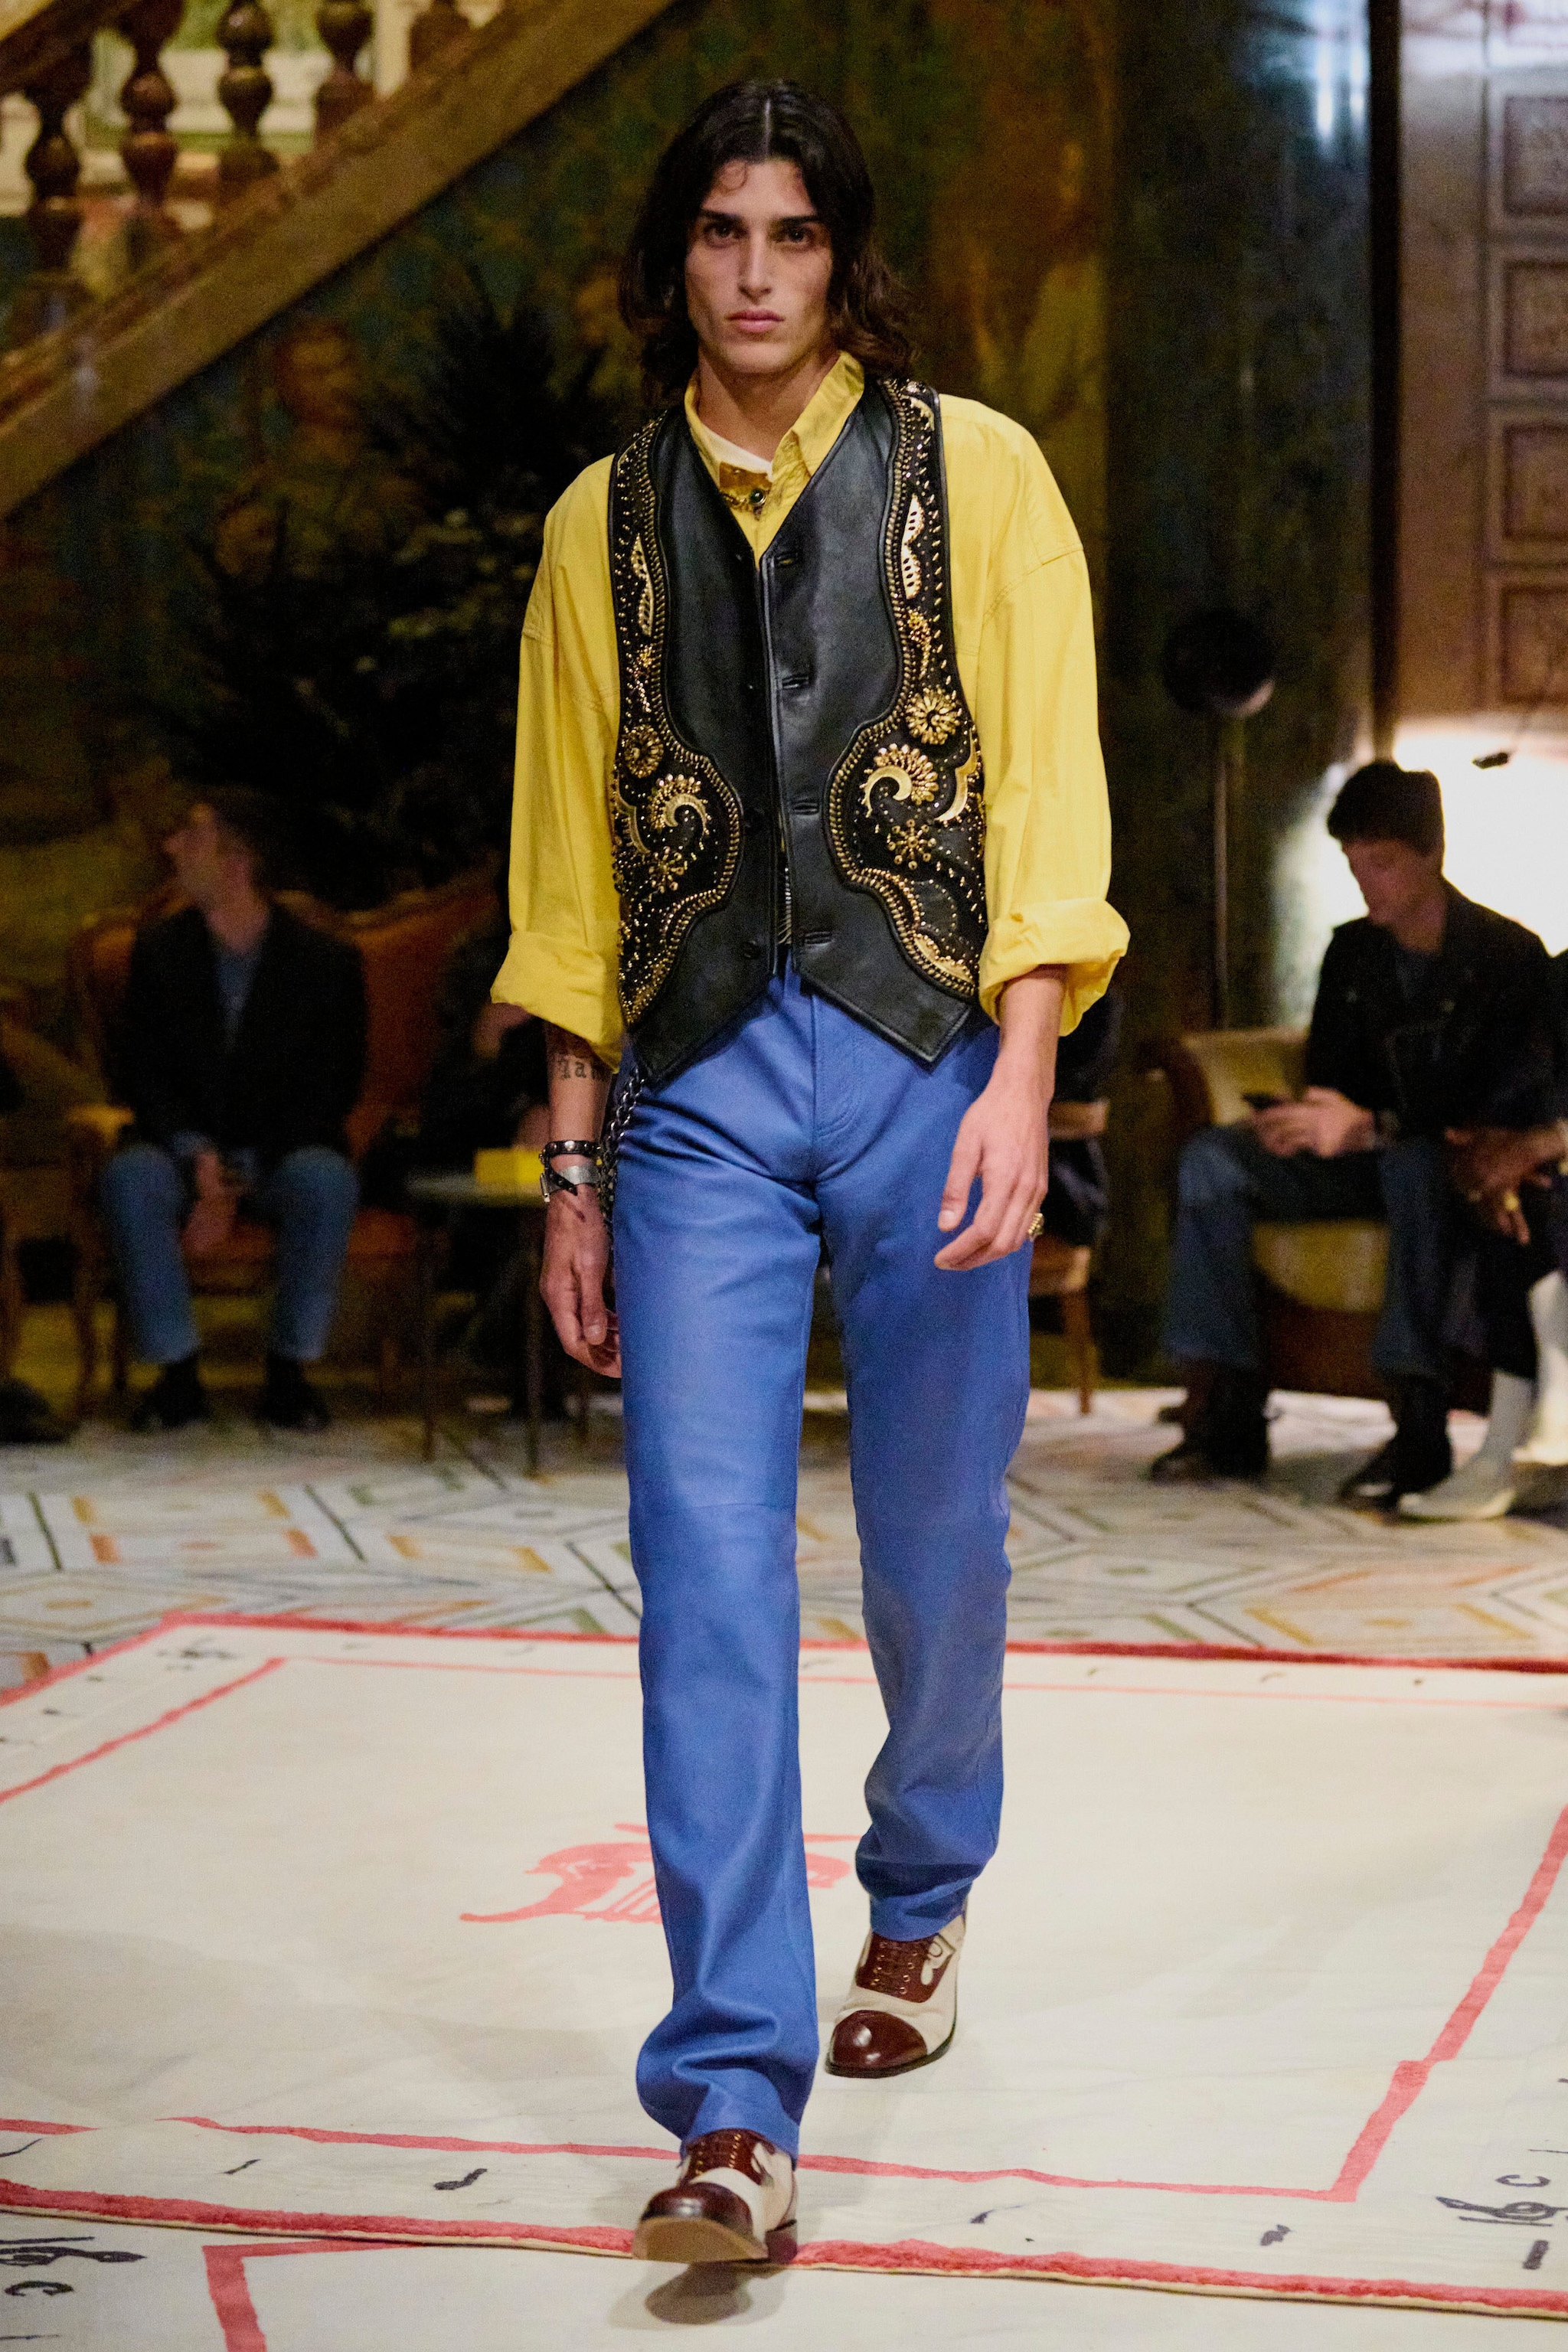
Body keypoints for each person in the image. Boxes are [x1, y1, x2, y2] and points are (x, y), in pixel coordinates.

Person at [492, 80, 1126, 2263]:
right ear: (673, 257)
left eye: (791, 234)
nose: (755, 274)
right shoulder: (595, 525)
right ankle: (732, 2097)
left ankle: (923, 1888)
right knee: (703, 1568)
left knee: (931, 1531)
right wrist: (572, 1168)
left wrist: (1028, 1070)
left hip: (932, 1068)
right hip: (692, 1095)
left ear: (846, 258)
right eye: (719, 233)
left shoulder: (982, 473)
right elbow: (569, 866)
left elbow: (1041, 792)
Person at [1153, 761, 1557, 1502]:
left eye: (1383, 863)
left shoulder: (1508, 956)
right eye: (1353, 863)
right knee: (1214, 1157)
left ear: (1431, 855)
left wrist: (1374, 1127)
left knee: (1411, 1163)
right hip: (1353, 1160)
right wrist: (1306, 1121)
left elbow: (1497, 1103)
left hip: (1439, 1168)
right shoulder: (1352, 952)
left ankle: (1418, 1424)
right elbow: (1331, 1072)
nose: (1366, 882)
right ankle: (1227, 1407)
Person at [102, 790, 365, 1432]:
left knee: (325, 1179)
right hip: (182, 1149)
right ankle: (178, 1376)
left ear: (237, 860)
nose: (172, 848)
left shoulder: (325, 964)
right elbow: (142, 1077)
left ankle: (288, 1374)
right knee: (131, 1176)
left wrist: (236, 1176)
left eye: (191, 836)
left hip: (280, 1152)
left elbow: (329, 1091)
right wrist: (199, 1159)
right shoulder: (159, 952)